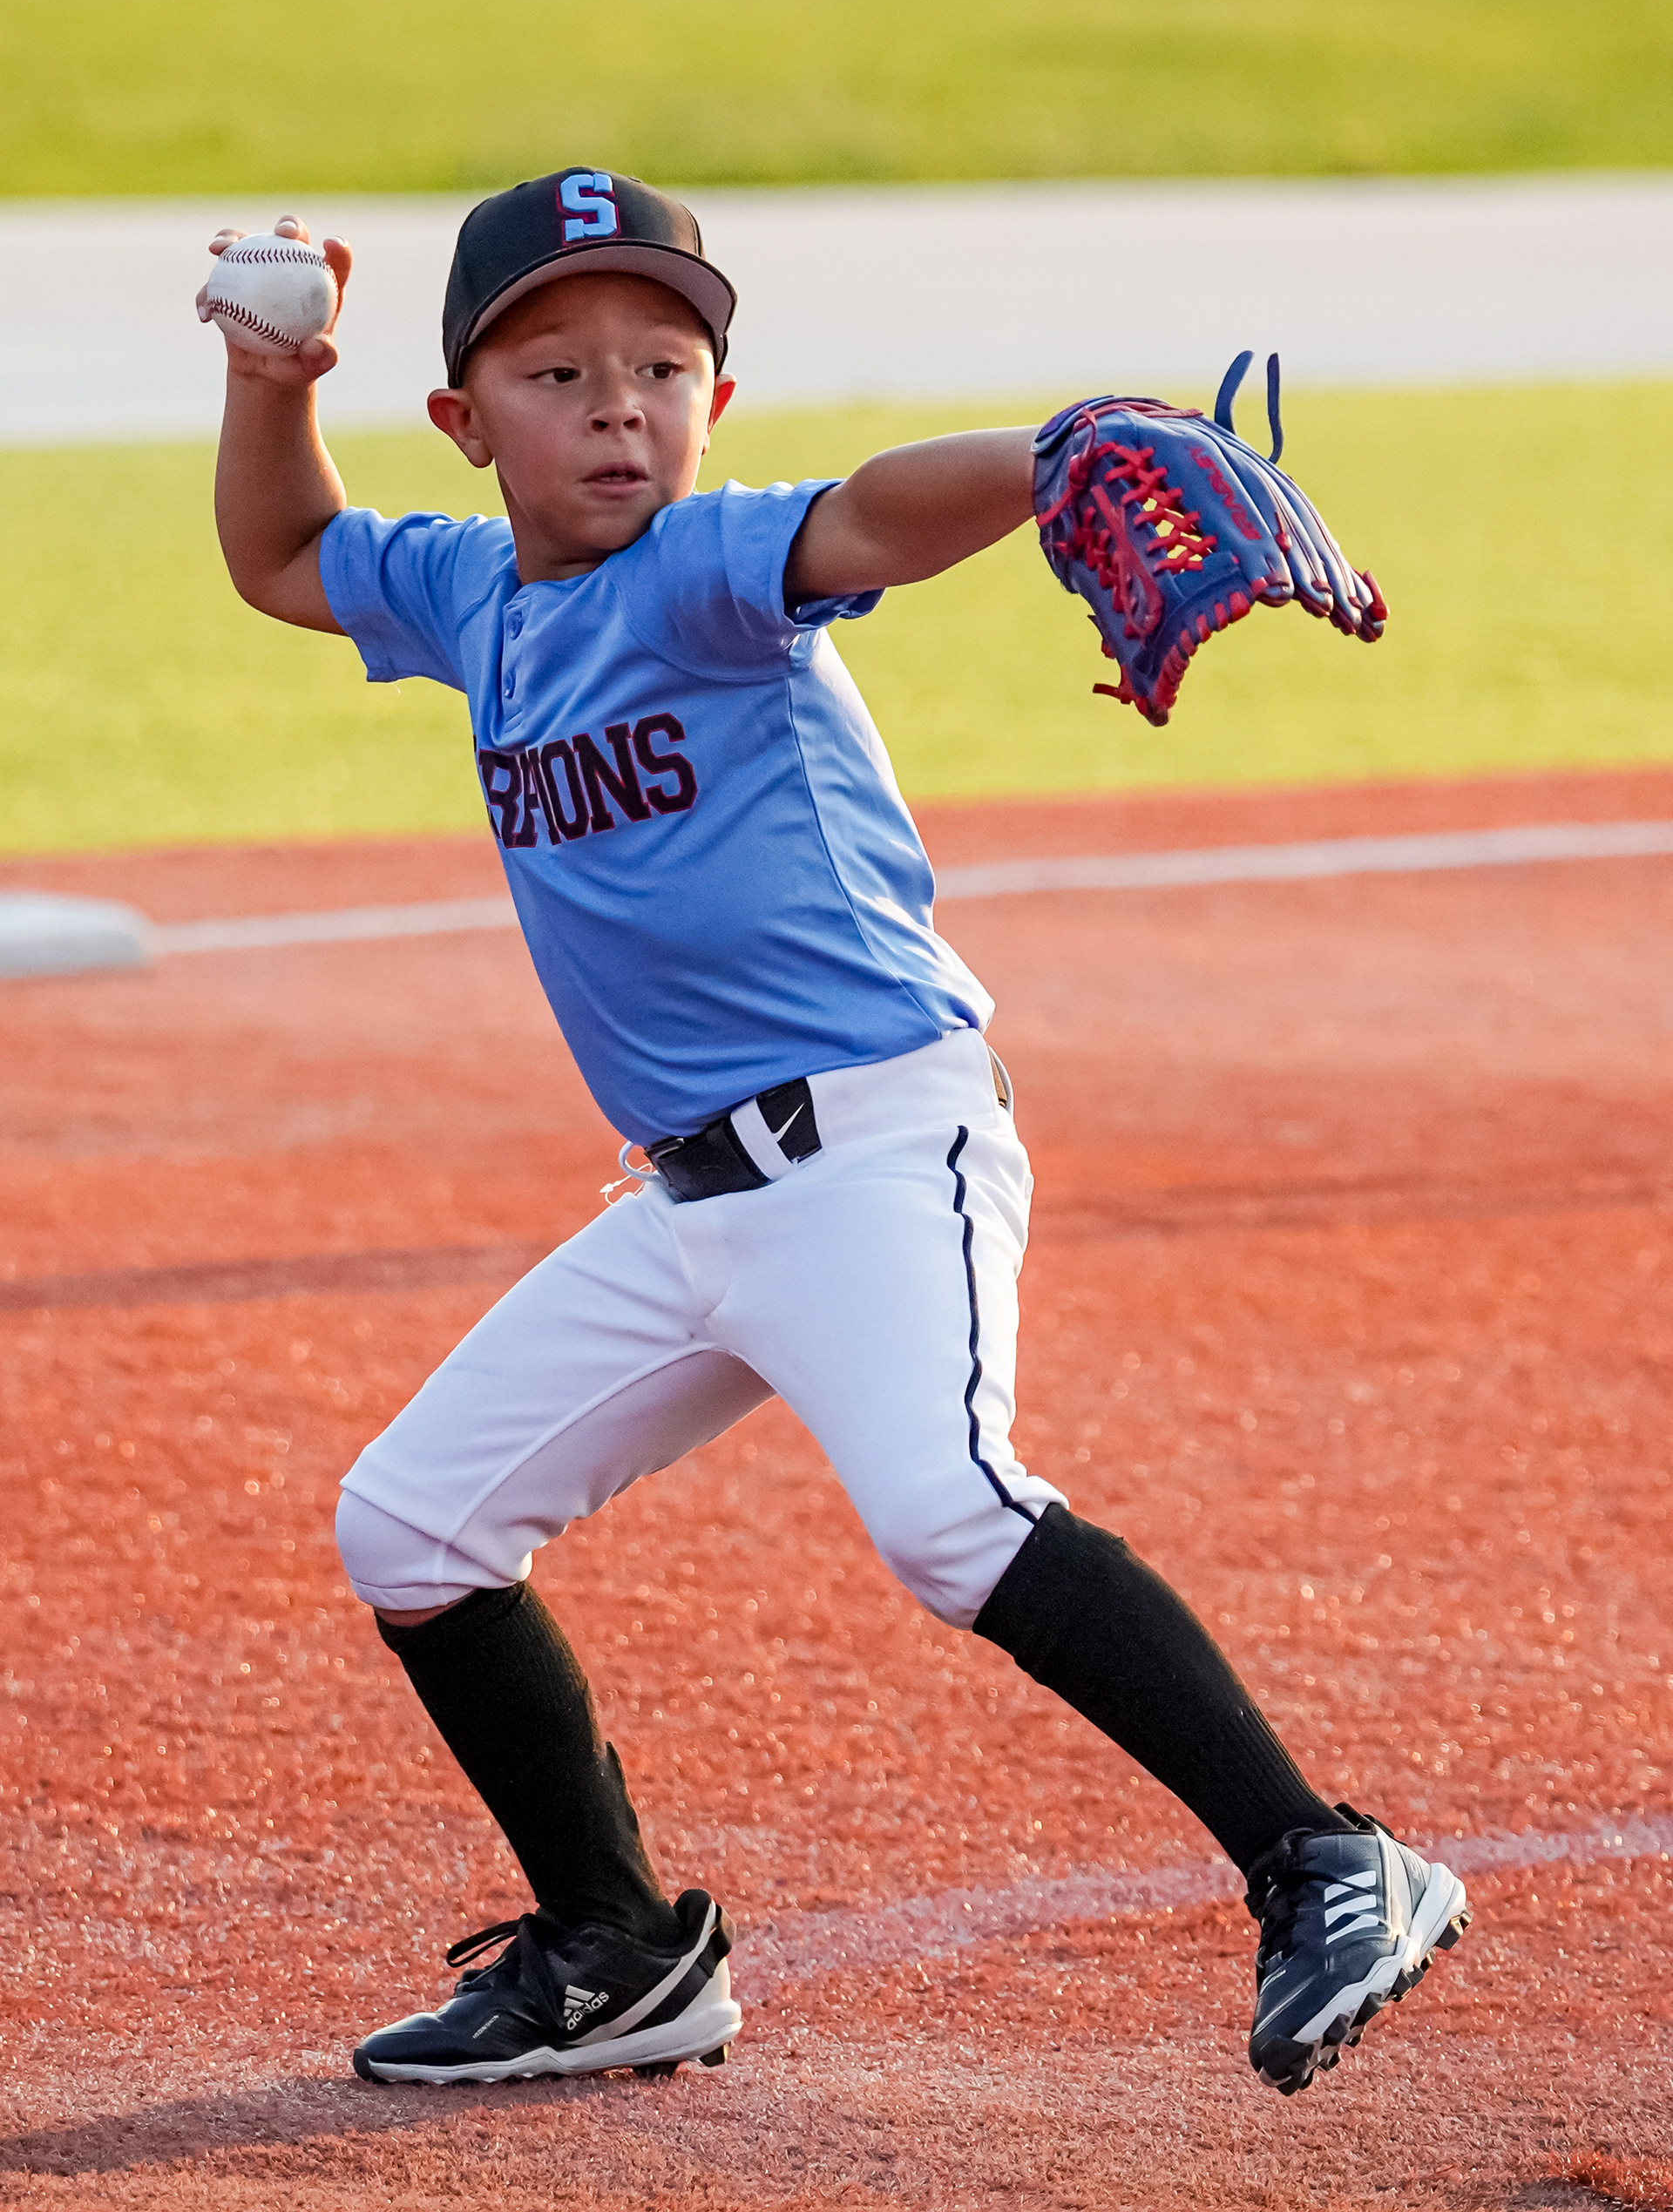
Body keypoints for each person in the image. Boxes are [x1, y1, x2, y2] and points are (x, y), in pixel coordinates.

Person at [202, 166, 1469, 2097]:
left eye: (661, 367)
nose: (618, 407)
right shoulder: (469, 594)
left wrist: (1053, 456)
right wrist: (271, 380)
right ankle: (621, 1950)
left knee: (952, 1516)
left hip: (879, 1149)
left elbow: (874, 511)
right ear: (464, 423)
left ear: (716, 401)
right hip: (686, 1206)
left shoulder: (709, 570)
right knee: (413, 1524)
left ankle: (1326, 1857)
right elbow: (286, 557)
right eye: (557, 373)